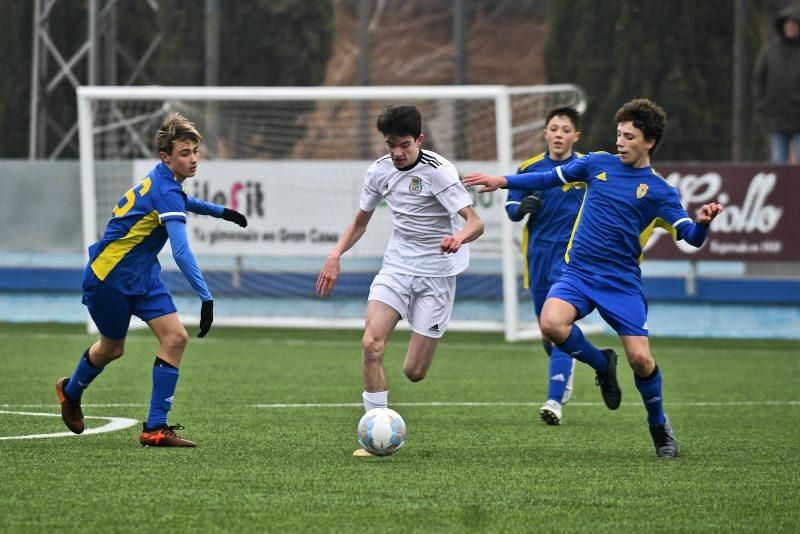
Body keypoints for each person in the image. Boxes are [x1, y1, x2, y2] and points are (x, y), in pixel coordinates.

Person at [464, 98, 724, 458]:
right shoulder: (596, 163)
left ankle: (659, 427)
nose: (619, 141)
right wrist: (503, 181)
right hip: (579, 273)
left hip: (621, 284)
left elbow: (691, 239)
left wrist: (703, 223)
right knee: (550, 323)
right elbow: (546, 178)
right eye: (618, 133)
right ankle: (602, 363)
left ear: (648, 142)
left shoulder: (661, 191)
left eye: (628, 136)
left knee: (640, 361)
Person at [56, 113, 248, 447]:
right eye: (185, 153)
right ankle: (70, 391)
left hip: (143, 279)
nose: (193, 159)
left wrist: (222, 212)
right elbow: (181, 252)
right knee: (112, 349)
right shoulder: (165, 190)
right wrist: (206, 297)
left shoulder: (164, 181)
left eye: (195, 151)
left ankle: (155, 428)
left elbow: (184, 200)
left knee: (175, 338)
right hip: (109, 279)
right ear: (166, 157)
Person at [316, 105, 484, 457]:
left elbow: (474, 222)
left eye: (404, 144)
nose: (396, 152)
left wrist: (458, 239)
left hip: (438, 273)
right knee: (371, 344)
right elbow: (360, 222)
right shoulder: (379, 172)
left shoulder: (440, 172)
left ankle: (389, 407)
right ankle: (375, 434)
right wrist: (335, 255)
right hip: (397, 267)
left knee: (414, 371)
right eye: (390, 144)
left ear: (419, 140)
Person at [506, 106, 585, 426]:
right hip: (538, 257)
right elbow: (512, 209)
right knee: (547, 331)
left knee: (559, 326)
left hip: (573, 261)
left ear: (575, 136)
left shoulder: (586, 168)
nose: (559, 134)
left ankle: (554, 400)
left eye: (565, 129)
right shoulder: (529, 168)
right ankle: (566, 366)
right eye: (554, 128)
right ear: (545, 133)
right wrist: (523, 206)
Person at [753, 5, 800, 163]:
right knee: (779, 160)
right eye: (787, 24)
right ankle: (782, 189)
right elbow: (759, 79)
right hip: (776, 117)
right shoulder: (770, 51)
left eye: (794, 24)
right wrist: (763, 105)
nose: (790, 27)